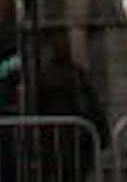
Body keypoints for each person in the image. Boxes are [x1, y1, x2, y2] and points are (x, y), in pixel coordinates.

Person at [26, 35, 105, 182]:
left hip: (55, 138)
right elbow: (92, 104)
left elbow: (37, 107)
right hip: (75, 137)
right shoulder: (76, 74)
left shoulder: (45, 75)